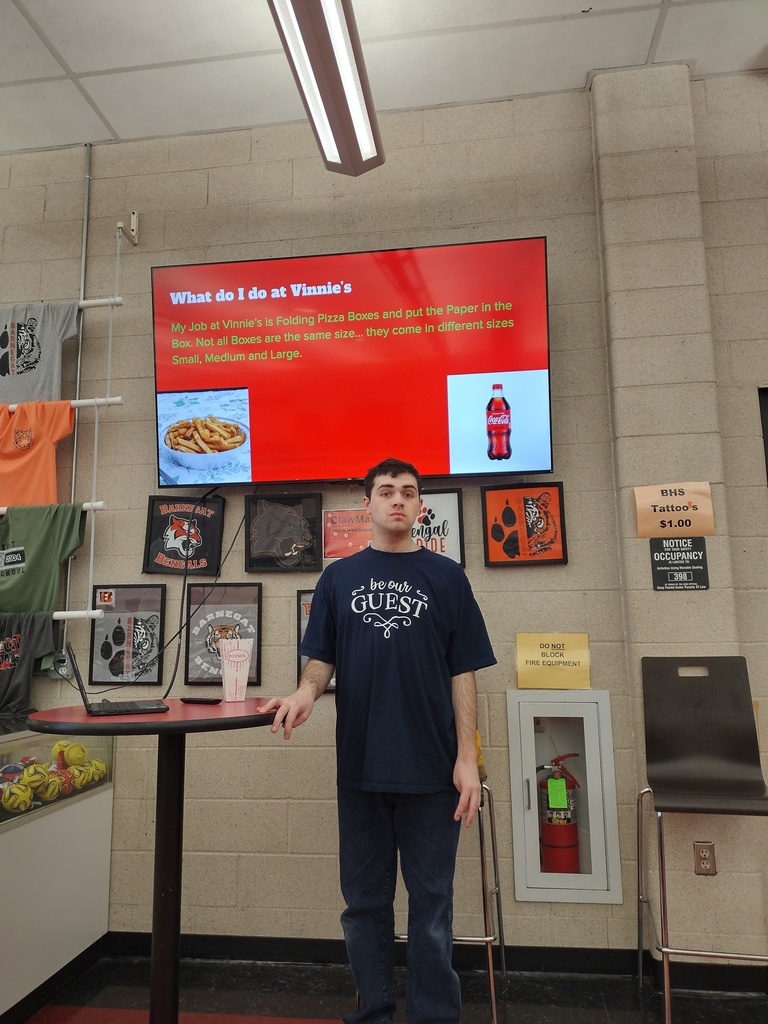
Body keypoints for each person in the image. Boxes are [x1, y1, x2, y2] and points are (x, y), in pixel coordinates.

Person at [264, 457, 496, 1024]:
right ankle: (373, 1013)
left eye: (408, 492)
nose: (398, 500)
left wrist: (467, 759)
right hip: (361, 769)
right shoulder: (337, 579)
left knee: (433, 906)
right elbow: (320, 661)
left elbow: (463, 671)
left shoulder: (448, 578)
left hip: (434, 771)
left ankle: (433, 1016)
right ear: (366, 503)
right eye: (387, 491)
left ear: (421, 507)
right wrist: (303, 694)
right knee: (364, 905)